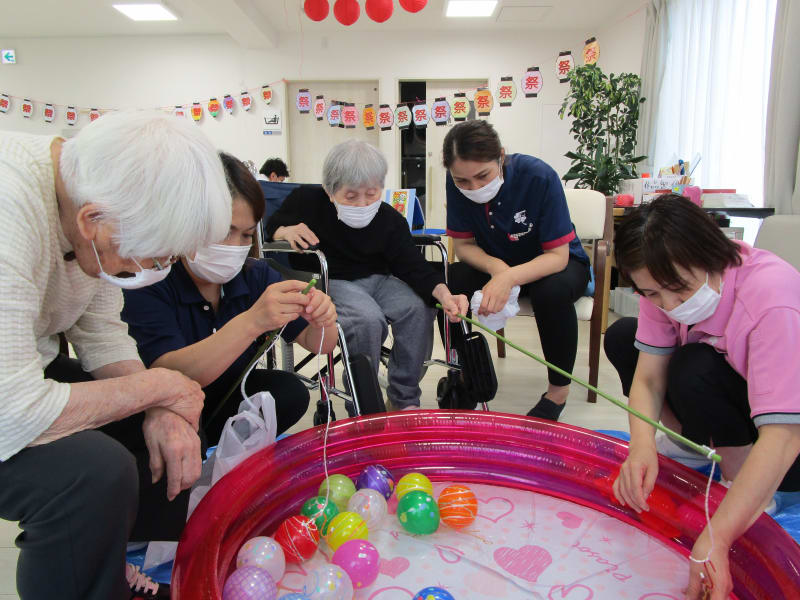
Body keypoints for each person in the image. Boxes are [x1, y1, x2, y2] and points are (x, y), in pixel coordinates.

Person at [0, 112, 233, 600]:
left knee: (176, 429)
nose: (154, 270)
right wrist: (159, 386)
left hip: (19, 371)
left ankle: (138, 572)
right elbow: (13, 409)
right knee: (90, 472)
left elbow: (103, 335)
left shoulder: (93, 203)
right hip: (9, 396)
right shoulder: (11, 207)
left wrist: (159, 407)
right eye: (153, 256)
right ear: (91, 221)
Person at [603, 194, 800, 600]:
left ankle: (742, 481)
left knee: (696, 365)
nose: (669, 306)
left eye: (678, 291)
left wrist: (720, 537)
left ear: (712, 255)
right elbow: (649, 379)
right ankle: (700, 448)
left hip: (788, 441)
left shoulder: (772, 300)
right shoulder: (663, 284)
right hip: (739, 405)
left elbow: (784, 435)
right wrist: (641, 449)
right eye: (652, 294)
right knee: (624, 339)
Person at [122, 152, 337, 446]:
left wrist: (324, 318)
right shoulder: (153, 278)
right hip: (167, 407)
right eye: (224, 232)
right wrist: (252, 322)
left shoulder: (255, 276)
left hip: (226, 398)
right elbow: (169, 372)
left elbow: (320, 344)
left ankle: (230, 455)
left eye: (247, 235)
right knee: (180, 425)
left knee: (289, 393)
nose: (235, 247)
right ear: (185, 222)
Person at [265, 140, 468, 411]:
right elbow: (271, 226)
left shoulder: (389, 219)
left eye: (371, 194)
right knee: (367, 320)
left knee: (419, 308)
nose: (362, 204)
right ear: (329, 190)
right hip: (332, 280)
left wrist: (445, 295)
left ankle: (403, 399)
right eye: (350, 196)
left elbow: (413, 265)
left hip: (379, 281)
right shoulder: (307, 201)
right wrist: (283, 232)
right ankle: (364, 405)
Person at [442, 120, 591, 420]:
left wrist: (508, 277)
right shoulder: (455, 181)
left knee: (553, 293)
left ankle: (557, 393)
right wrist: (498, 269)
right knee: (450, 281)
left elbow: (558, 257)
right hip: (498, 262)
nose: (474, 188)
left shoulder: (538, 177)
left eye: (483, 176)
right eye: (463, 182)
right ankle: (465, 374)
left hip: (554, 266)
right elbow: (465, 245)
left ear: (501, 156)